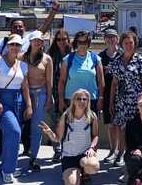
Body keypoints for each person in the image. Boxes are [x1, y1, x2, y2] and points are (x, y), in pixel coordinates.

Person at [0, 0, 58, 159]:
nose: (18, 28)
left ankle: (27, 149)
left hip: (26, 89)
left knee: (27, 121)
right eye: (15, 26)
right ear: (10, 29)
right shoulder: (3, 42)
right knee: (6, 122)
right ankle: (2, 149)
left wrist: (53, 11)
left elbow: (43, 29)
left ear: (25, 29)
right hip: (9, 88)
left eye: (21, 26)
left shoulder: (28, 41)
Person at [0, 34, 33, 183]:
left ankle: (4, 166)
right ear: (7, 46)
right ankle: (8, 170)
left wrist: (29, 105)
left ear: (21, 47)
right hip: (3, 101)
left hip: (18, 102)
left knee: (10, 136)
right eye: (12, 44)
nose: (14, 47)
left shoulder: (23, 65)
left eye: (17, 45)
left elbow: (25, 86)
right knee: (14, 132)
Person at [38, 88, 100, 185]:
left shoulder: (92, 116)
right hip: (69, 156)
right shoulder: (66, 116)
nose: (82, 101)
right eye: (79, 99)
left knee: (94, 166)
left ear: (88, 101)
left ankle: (85, 173)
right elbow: (57, 138)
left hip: (85, 154)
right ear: (73, 101)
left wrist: (92, 148)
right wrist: (50, 133)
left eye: (85, 99)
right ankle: (74, 173)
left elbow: (95, 135)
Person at [108, 31, 142, 167]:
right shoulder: (117, 61)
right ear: (121, 44)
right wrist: (111, 102)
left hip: (136, 101)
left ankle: (131, 154)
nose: (128, 45)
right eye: (126, 43)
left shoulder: (140, 61)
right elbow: (114, 83)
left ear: (135, 43)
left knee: (132, 129)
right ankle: (121, 153)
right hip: (121, 100)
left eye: (131, 42)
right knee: (120, 127)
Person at [21, 30, 54, 172]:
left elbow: (49, 81)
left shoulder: (47, 59)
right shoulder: (22, 57)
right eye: (35, 40)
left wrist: (48, 99)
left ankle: (33, 157)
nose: (37, 42)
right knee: (19, 126)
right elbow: (22, 79)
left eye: (40, 41)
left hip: (40, 94)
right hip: (24, 93)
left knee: (36, 128)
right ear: (30, 41)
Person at [58, 30, 105, 113]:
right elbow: (62, 82)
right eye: (80, 42)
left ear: (89, 43)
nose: (83, 44)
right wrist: (61, 100)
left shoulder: (96, 59)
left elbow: (101, 82)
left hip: (91, 101)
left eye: (85, 42)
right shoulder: (68, 59)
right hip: (71, 101)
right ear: (76, 43)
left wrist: (101, 99)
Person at [48, 29, 72, 162]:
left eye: (64, 39)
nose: (62, 42)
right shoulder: (51, 55)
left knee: (70, 124)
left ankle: (68, 150)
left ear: (68, 40)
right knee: (55, 123)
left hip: (70, 95)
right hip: (55, 95)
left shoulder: (73, 56)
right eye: (59, 39)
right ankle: (57, 149)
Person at [99, 28, 122, 164]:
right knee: (110, 124)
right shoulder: (101, 56)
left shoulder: (122, 54)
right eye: (108, 37)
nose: (110, 39)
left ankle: (120, 151)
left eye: (113, 37)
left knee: (119, 124)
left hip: (121, 93)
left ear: (117, 39)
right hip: (107, 93)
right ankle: (112, 150)